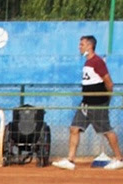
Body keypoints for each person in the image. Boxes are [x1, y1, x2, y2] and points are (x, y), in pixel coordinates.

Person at [52, 35, 123, 170]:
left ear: (90, 46)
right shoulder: (87, 62)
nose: (79, 47)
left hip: (97, 104)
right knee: (74, 128)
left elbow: (109, 83)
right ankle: (70, 160)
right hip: (85, 103)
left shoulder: (97, 62)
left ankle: (119, 158)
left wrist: (106, 100)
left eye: (82, 44)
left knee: (106, 131)